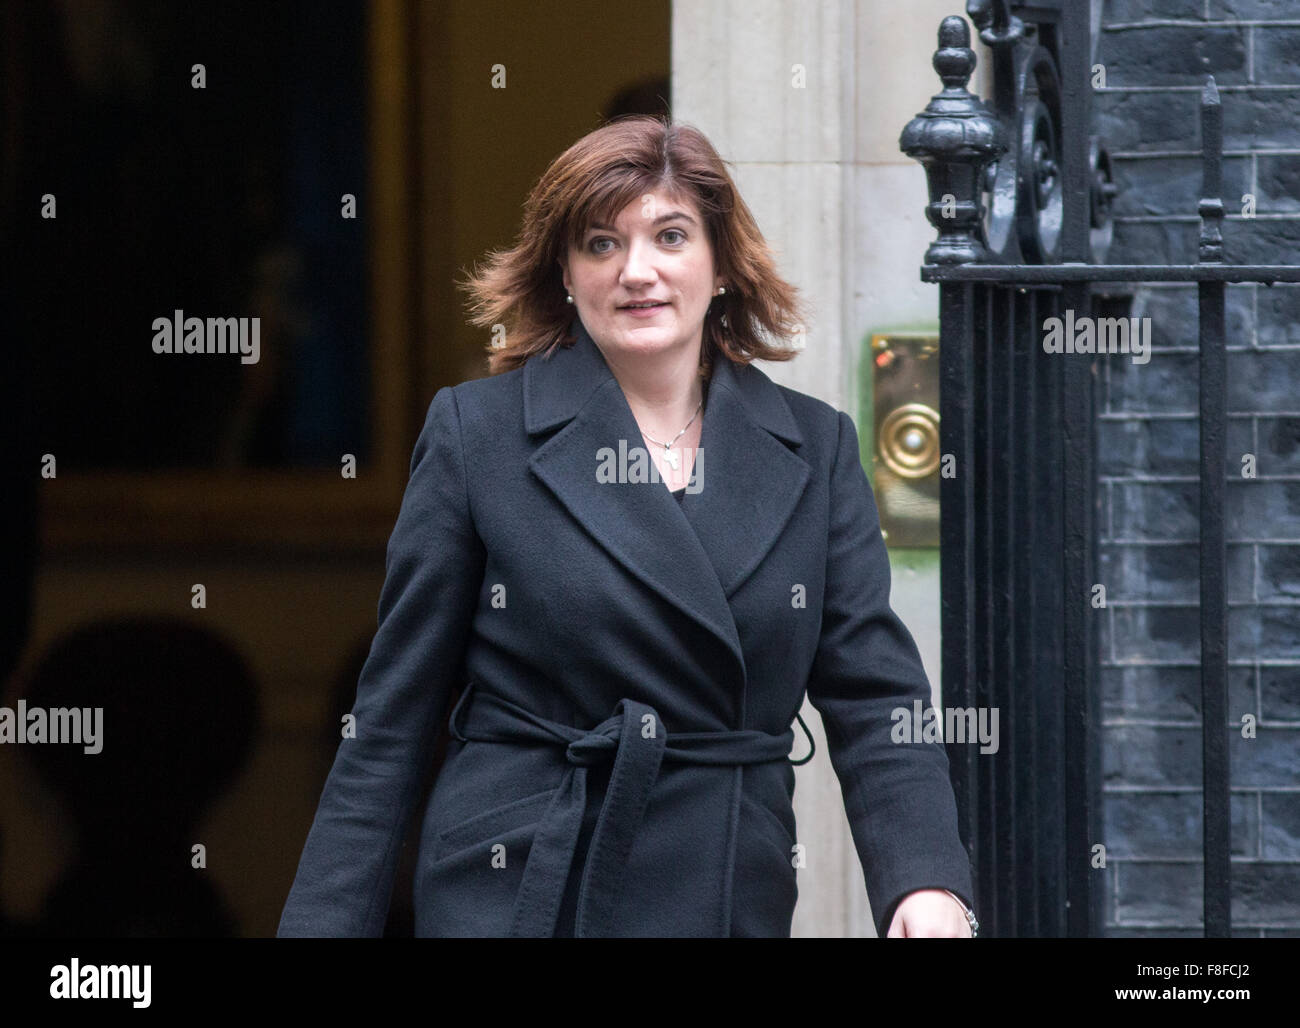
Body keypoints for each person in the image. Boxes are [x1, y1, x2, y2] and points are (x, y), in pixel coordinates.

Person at [277, 115, 976, 938]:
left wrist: (926, 883)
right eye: (601, 244)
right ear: (565, 275)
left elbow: (877, 696)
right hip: (518, 882)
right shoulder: (480, 434)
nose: (636, 271)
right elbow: (391, 717)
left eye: (670, 236)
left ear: (721, 265)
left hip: (722, 884)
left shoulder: (813, 448)